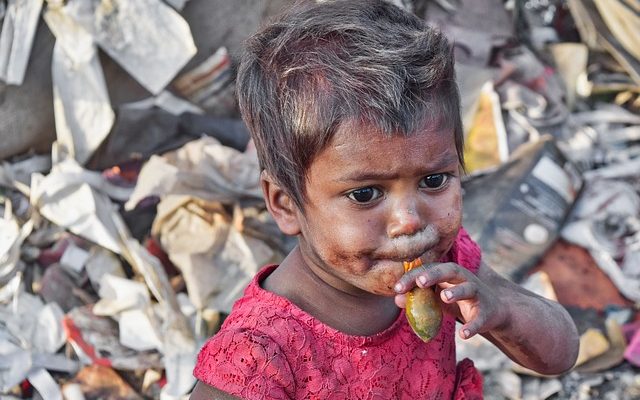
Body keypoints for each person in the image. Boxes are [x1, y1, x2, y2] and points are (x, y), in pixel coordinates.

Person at [190, 1, 579, 398]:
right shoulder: (259, 359)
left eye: (434, 180)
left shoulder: (445, 265)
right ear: (285, 204)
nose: (409, 220)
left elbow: (559, 354)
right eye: (365, 194)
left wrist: (501, 310)